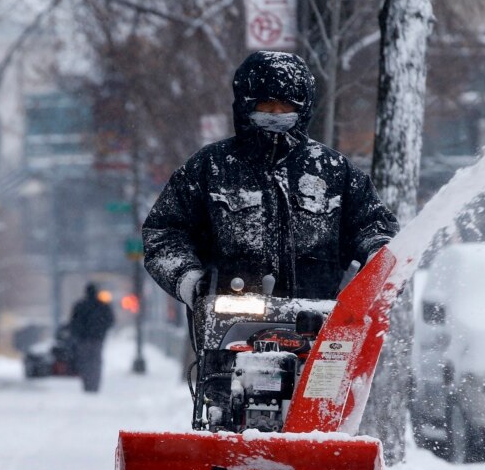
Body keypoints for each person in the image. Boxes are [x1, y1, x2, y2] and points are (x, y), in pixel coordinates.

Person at [142, 51, 398, 326]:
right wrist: (190, 282)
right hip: (230, 325)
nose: (276, 115)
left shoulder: (335, 171)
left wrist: (378, 260)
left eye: (285, 107)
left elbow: (375, 227)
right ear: (245, 106)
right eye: (266, 106)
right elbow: (164, 234)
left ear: (303, 108)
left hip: (319, 324)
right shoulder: (210, 168)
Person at [68, 283, 114, 392]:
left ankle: (87, 384)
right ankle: (94, 384)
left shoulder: (80, 305)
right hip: (97, 339)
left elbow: (73, 322)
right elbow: (110, 320)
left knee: (84, 362)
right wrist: (102, 331)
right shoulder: (102, 306)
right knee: (95, 362)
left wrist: (78, 334)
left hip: (83, 339)